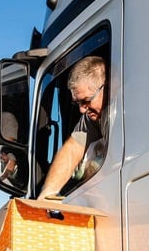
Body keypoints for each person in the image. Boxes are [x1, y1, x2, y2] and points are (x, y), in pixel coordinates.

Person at [37, 55, 107, 199]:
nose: (82, 110)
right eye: (78, 103)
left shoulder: (123, 109)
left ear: (106, 87)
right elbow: (73, 148)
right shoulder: (91, 116)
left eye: (86, 101)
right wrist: (47, 195)